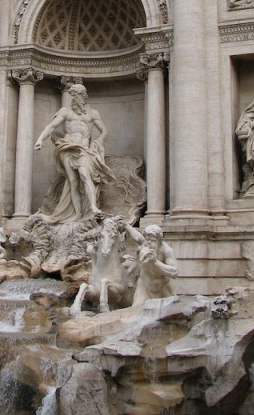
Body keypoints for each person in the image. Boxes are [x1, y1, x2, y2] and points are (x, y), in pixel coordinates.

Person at [34, 84, 115, 222]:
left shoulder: (93, 113)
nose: (74, 98)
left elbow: (104, 131)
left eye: (76, 95)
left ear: (83, 95)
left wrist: (98, 142)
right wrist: (40, 139)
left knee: (84, 174)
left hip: (84, 149)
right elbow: (51, 126)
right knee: (73, 181)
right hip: (67, 147)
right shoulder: (65, 111)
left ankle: (93, 207)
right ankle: (77, 213)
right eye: (73, 95)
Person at [124, 223, 178, 306]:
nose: (148, 243)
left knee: (171, 311)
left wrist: (156, 262)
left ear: (159, 241)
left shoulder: (166, 250)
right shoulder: (144, 244)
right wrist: (126, 225)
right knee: (137, 309)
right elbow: (136, 236)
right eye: (147, 239)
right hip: (144, 287)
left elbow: (174, 272)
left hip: (163, 288)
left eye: (152, 240)